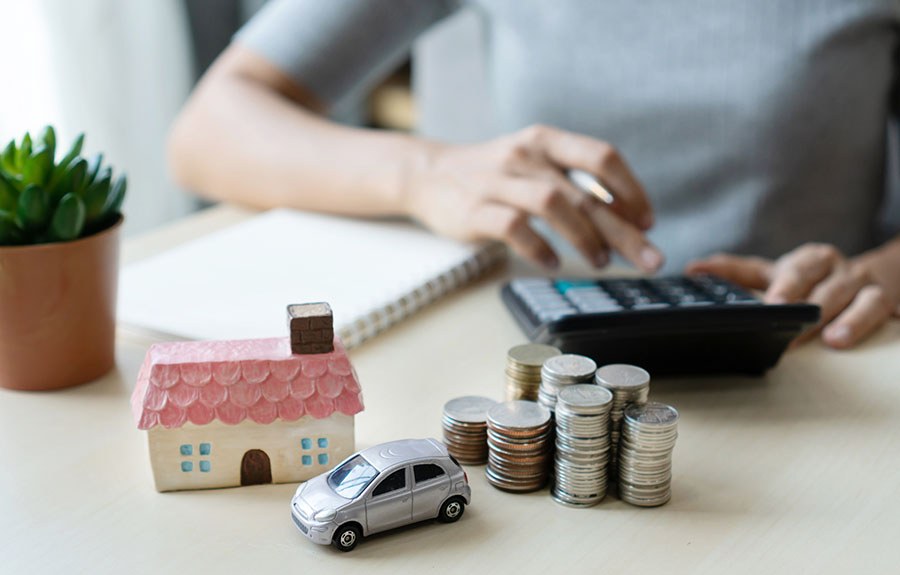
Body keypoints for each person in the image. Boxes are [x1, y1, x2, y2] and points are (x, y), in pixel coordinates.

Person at [168, 0, 900, 349]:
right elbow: (209, 129)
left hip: (818, 359)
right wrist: (423, 171)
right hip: (530, 358)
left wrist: (884, 274)